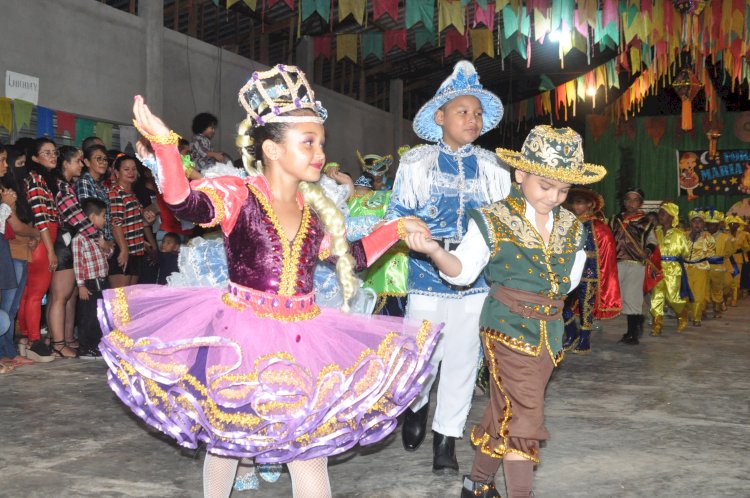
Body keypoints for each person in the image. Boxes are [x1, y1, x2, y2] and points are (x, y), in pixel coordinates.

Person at [101, 65, 440, 498]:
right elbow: (184, 202)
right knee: (226, 441)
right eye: (309, 142)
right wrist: (167, 146)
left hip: (304, 338)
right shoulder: (238, 193)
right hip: (241, 334)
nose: (320, 153)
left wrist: (393, 230)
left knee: (307, 448)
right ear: (273, 149)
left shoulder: (314, 213)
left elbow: (350, 258)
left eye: (321, 142)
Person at [405, 125, 600, 498]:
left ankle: (476, 483)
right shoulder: (494, 218)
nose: (554, 197)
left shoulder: (572, 226)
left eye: (563, 190)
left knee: (507, 408)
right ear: (520, 174)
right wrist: (433, 250)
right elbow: (461, 272)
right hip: (507, 327)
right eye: (546, 186)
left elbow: (572, 280)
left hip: (550, 333)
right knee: (526, 418)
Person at [386, 60, 511, 473]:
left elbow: (502, 223)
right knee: (422, 357)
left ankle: (446, 441)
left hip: (475, 279)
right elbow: (398, 213)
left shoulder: (493, 168)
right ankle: (417, 406)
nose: (472, 119)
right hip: (425, 274)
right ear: (440, 117)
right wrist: (414, 235)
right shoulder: (417, 162)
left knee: (463, 358)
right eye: (463, 111)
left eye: (477, 113)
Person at [561, 187, 621, 353]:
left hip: (589, 273)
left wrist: (602, 275)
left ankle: (585, 340)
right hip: (570, 272)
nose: (575, 206)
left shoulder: (598, 226)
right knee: (562, 304)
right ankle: (572, 334)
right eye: (573, 202)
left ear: (590, 204)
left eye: (579, 202)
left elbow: (607, 252)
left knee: (585, 306)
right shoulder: (570, 223)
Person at [18, 138, 61, 360]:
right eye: (46, 153)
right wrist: (51, 250)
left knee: (29, 294)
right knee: (35, 294)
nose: (53, 156)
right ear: (34, 158)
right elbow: (41, 218)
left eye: (54, 152)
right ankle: (34, 340)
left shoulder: (43, 179)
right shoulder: (35, 179)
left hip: (45, 236)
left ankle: (26, 340)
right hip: (44, 237)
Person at [0, 145, 39, 366]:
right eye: (3, 160)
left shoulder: (7, 186)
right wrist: (36, 232)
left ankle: (9, 349)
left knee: (12, 307)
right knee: (5, 308)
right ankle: (4, 352)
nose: (6, 165)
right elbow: (9, 223)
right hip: (10, 250)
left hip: (16, 249)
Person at [609, 187, 656, 345]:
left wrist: (647, 251)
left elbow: (652, 241)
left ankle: (632, 334)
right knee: (621, 296)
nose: (631, 203)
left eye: (635, 200)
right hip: (617, 263)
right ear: (624, 202)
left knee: (633, 298)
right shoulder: (615, 220)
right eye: (628, 199)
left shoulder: (646, 222)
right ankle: (636, 324)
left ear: (640, 203)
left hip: (636, 264)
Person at [107, 154, 157, 288]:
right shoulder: (115, 193)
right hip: (122, 250)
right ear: (117, 173)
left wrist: (149, 222)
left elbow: (136, 223)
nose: (131, 172)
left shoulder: (131, 194)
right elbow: (115, 223)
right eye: (126, 169)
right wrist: (123, 250)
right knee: (119, 299)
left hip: (135, 251)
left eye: (134, 169)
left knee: (129, 298)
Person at [72, 198, 109, 359]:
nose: (105, 219)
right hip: (88, 284)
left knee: (99, 316)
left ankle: (96, 345)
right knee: (88, 317)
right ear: (93, 217)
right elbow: (78, 264)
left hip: (102, 282)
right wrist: (80, 285)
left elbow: (108, 256)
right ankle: (86, 347)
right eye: (103, 216)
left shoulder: (98, 237)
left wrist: (105, 246)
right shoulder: (79, 239)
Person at [649, 203, 690, 336]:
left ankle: (682, 317)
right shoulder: (655, 232)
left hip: (673, 269)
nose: (660, 216)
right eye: (659, 213)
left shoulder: (679, 234)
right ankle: (657, 325)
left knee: (673, 298)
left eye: (663, 213)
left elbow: (685, 253)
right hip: (657, 268)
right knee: (656, 297)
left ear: (672, 217)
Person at [685, 210, 715, 327]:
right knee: (687, 294)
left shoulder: (708, 237)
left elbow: (712, 253)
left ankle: (696, 317)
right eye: (694, 221)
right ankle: (690, 313)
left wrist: (704, 255)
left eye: (700, 222)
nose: (697, 224)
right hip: (686, 268)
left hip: (700, 269)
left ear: (703, 224)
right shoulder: (683, 236)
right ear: (690, 223)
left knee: (698, 294)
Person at [704, 210, 734, 318]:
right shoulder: (703, 236)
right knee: (704, 289)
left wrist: (719, 259)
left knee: (718, 288)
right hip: (704, 266)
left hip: (718, 267)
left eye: (714, 224)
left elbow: (728, 252)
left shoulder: (725, 238)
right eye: (709, 224)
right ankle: (703, 309)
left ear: (718, 225)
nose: (711, 227)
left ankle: (717, 308)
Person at [726, 215, 750, 306]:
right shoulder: (725, 235)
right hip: (727, 259)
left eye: (735, 224)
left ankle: (734, 299)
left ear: (738, 225)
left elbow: (747, 247)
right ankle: (728, 296)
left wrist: (741, 250)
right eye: (731, 224)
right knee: (727, 280)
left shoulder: (743, 235)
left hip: (738, 259)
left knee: (736, 280)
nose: (733, 225)